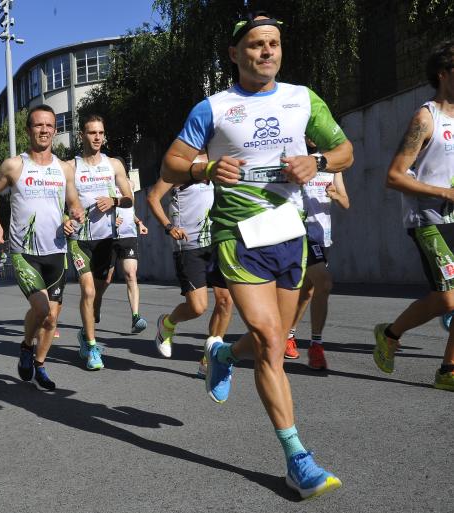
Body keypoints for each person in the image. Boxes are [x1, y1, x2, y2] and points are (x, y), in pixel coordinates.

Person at [160, 12, 354, 499]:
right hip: (237, 235)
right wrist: (205, 168)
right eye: (255, 44)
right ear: (234, 54)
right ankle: (297, 459)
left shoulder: (302, 98)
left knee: (272, 341)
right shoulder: (214, 107)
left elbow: (346, 149)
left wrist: (320, 162)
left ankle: (223, 352)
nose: (266, 51)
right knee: (270, 340)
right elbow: (171, 163)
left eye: (274, 43)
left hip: (289, 232)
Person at [373, 39, 454, 392]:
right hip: (429, 220)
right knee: (450, 298)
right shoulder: (426, 117)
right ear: (443, 73)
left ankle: (448, 370)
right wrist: (443, 192)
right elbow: (394, 175)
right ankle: (391, 334)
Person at [0, 104, 83, 391]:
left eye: (49, 125)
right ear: (29, 130)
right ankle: (27, 345)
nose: (44, 130)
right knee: (41, 309)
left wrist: (73, 219)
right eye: (38, 125)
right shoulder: (15, 165)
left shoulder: (64, 168)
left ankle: (39, 363)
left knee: (52, 319)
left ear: (55, 130)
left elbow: (75, 206)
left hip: (56, 250)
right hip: (24, 251)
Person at [147, 157, 234, 377]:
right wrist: (168, 227)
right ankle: (167, 324)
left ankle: (209, 359)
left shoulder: (218, 158)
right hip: (189, 246)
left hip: (218, 243)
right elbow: (153, 197)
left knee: (225, 301)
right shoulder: (181, 163)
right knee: (197, 307)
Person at [68, 115, 134, 370]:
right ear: (82, 135)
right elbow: (59, 200)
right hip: (79, 238)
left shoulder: (114, 164)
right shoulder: (70, 167)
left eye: (101, 133)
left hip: (106, 238)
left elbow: (129, 198)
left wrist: (114, 201)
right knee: (88, 291)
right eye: (92, 133)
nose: (97, 137)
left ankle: (85, 333)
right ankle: (93, 349)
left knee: (103, 283)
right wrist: (65, 218)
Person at [285, 153, 350, 369]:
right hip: (301, 233)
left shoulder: (333, 164)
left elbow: (346, 202)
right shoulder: (296, 157)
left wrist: (335, 195)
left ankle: (288, 335)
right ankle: (316, 346)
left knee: (308, 291)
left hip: (323, 236)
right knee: (324, 282)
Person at [93, 180, 148, 333]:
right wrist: (109, 220)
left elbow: (130, 210)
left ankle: (135, 317)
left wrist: (139, 223)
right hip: (108, 236)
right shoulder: (102, 183)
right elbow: (97, 209)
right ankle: (96, 306)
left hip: (128, 236)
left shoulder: (128, 185)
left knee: (131, 274)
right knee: (106, 280)